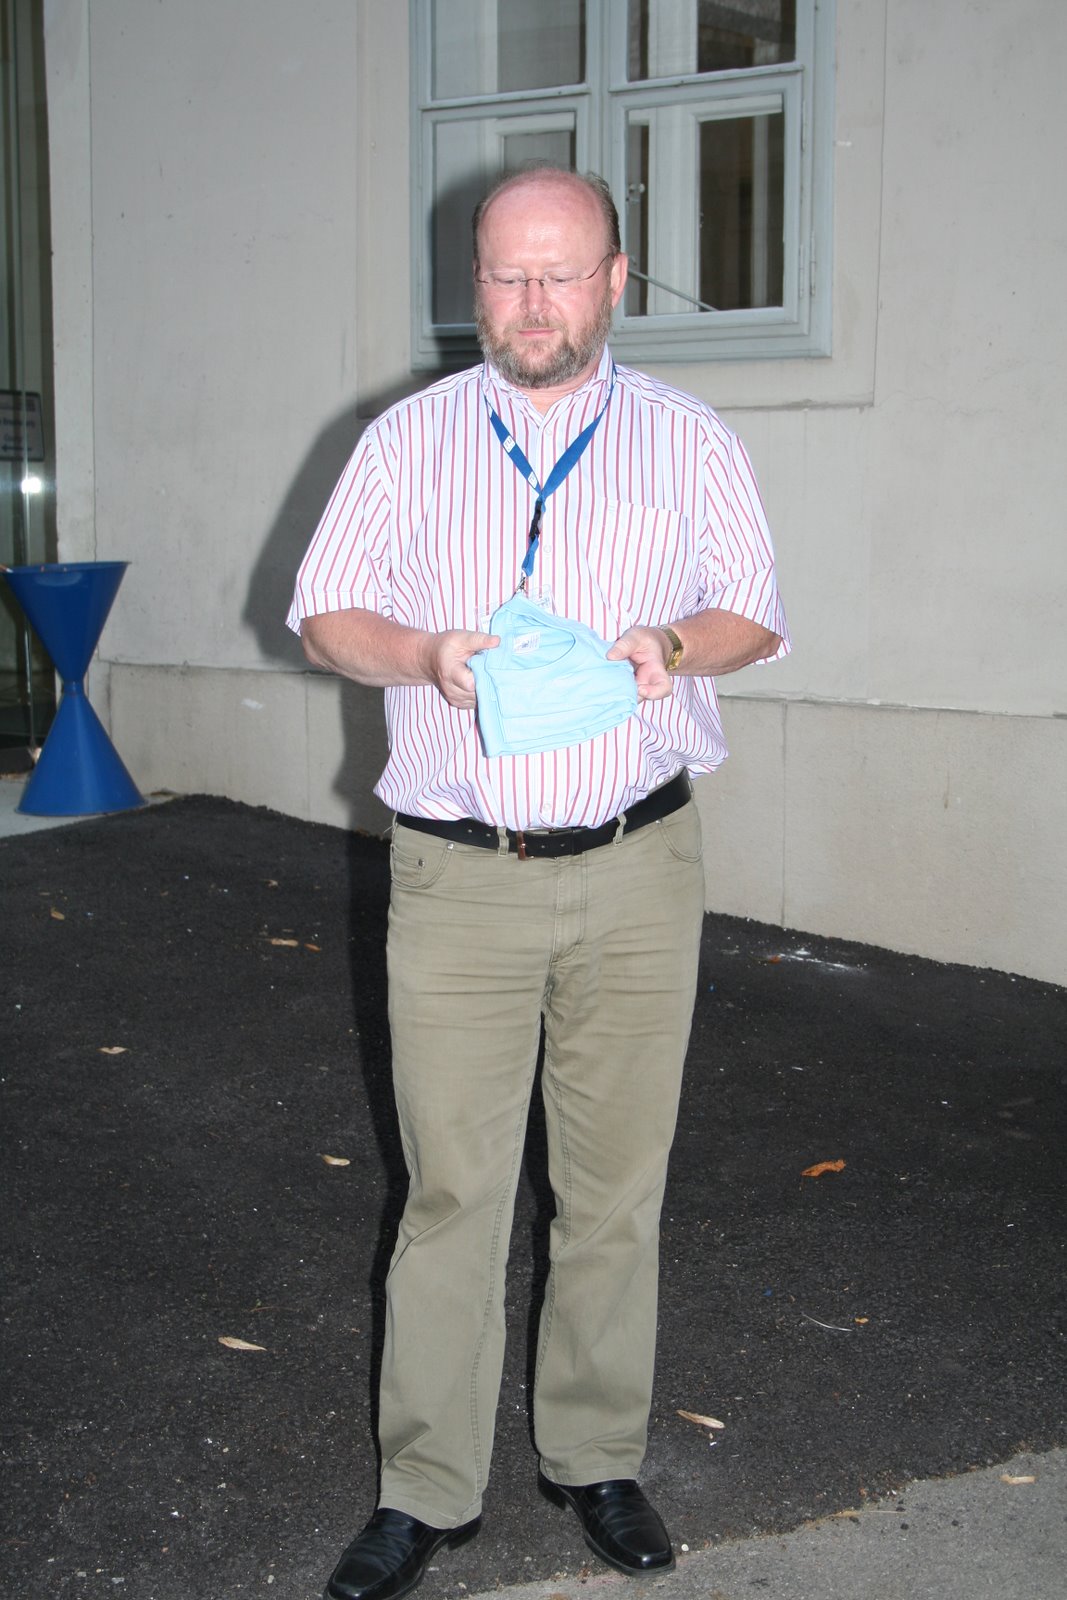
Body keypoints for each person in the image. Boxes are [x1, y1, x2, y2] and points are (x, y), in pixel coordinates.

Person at [287, 165, 790, 1600]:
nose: (532, 303)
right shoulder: (406, 441)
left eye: (561, 274)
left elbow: (756, 614)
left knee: (614, 1191)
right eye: (507, 276)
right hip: (460, 876)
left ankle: (596, 1456)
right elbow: (324, 616)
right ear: (477, 286)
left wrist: (671, 647)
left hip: (638, 866)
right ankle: (424, 1488)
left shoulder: (690, 440)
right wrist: (422, 654)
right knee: (452, 1192)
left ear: (617, 281)